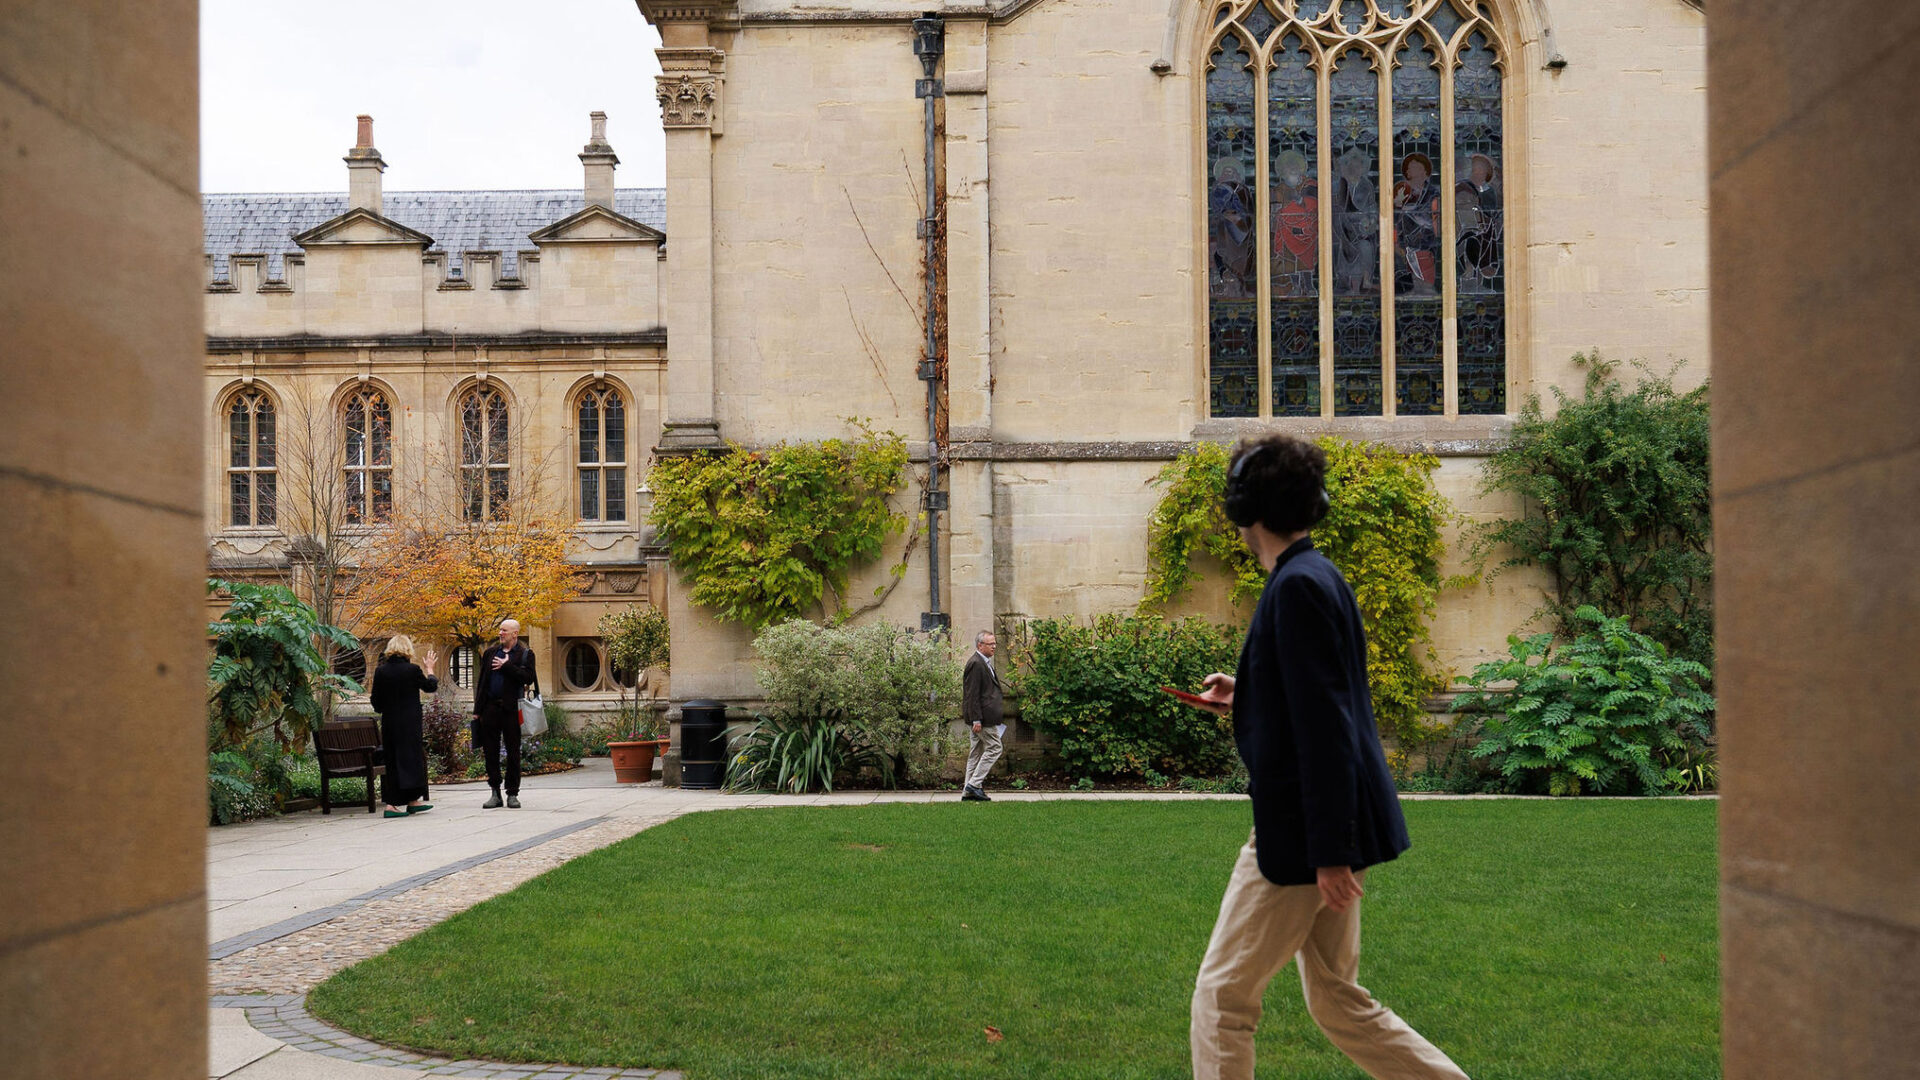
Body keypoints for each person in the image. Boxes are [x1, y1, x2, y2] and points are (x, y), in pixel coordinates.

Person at [1188, 436, 1467, 1080]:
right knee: (1339, 1001)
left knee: (1222, 999)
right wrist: (1249, 692)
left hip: (1301, 838)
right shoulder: (1317, 576)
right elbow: (1318, 701)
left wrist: (1330, 853)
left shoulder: (1297, 588)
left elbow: (1328, 727)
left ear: (1243, 512)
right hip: (1325, 833)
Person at [369, 635, 439, 819]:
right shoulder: (412, 670)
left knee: (392, 761)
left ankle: (395, 803)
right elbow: (430, 687)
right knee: (412, 759)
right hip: (410, 722)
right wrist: (430, 670)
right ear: (407, 649)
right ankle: (411, 800)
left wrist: (387, 708)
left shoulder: (381, 671)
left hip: (390, 722)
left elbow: (375, 701)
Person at [473, 618, 536, 809]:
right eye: (500, 630)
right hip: (490, 709)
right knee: (490, 752)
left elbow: (528, 678)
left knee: (513, 752)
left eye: (505, 630)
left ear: (515, 634)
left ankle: (512, 793)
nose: (500, 633)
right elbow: (482, 682)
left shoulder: (525, 654)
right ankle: (495, 793)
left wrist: (507, 666)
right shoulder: (490, 653)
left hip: (511, 709)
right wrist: (477, 711)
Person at [960, 629, 1004, 802]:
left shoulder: (984, 662)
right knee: (995, 748)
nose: (994, 647)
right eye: (990, 644)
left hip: (983, 717)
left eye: (994, 643)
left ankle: (967, 791)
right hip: (982, 719)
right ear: (980, 645)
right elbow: (972, 694)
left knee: (976, 753)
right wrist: (976, 719)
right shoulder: (976, 663)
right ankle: (974, 784)